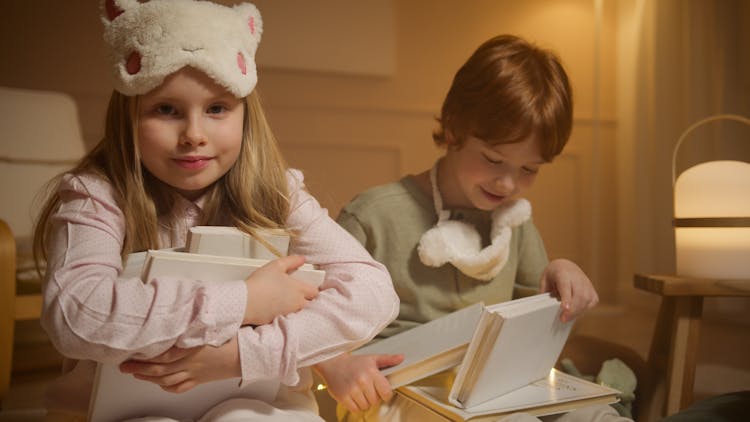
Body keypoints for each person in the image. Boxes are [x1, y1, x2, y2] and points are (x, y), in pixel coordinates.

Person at [33, 1, 398, 421]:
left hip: (255, 401)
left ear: (245, 114)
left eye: (217, 109)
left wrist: (242, 356)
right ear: (128, 117)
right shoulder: (98, 195)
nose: (193, 135)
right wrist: (242, 303)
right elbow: (74, 314)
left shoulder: (276, 192)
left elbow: (372, 292)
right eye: (166, 110)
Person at [313, 35, 630, 421]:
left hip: (497, 381)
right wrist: (336, 364)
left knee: (598, 416)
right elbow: (311, 312)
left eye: (529, 170)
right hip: (393, 388)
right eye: (494, 160)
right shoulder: (374, 215)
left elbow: (539, 322)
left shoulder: (514, 223)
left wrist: (562, 276)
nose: (508, 184)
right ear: (453, 130)